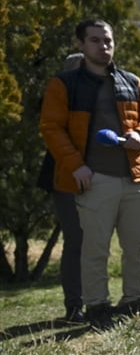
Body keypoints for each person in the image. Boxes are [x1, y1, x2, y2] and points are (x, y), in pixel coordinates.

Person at [38, 18, 140, 331]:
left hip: (135, 178)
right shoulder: (64, 84)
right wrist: (75, 165)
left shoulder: (131, 81)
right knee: (95, 251)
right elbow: (51, 127)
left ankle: (134, 302)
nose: (103, 46)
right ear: (80, 44)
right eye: (95, 40)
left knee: (137, 249)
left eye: (107, 40)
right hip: (94, 180)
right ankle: (97, 307)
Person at [35, 52, 85, 325]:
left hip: (98, 177)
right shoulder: (58, 97)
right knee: (76, 241)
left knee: (95, 243)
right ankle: (75, 305)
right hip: (65, 179)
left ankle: (96, 301)